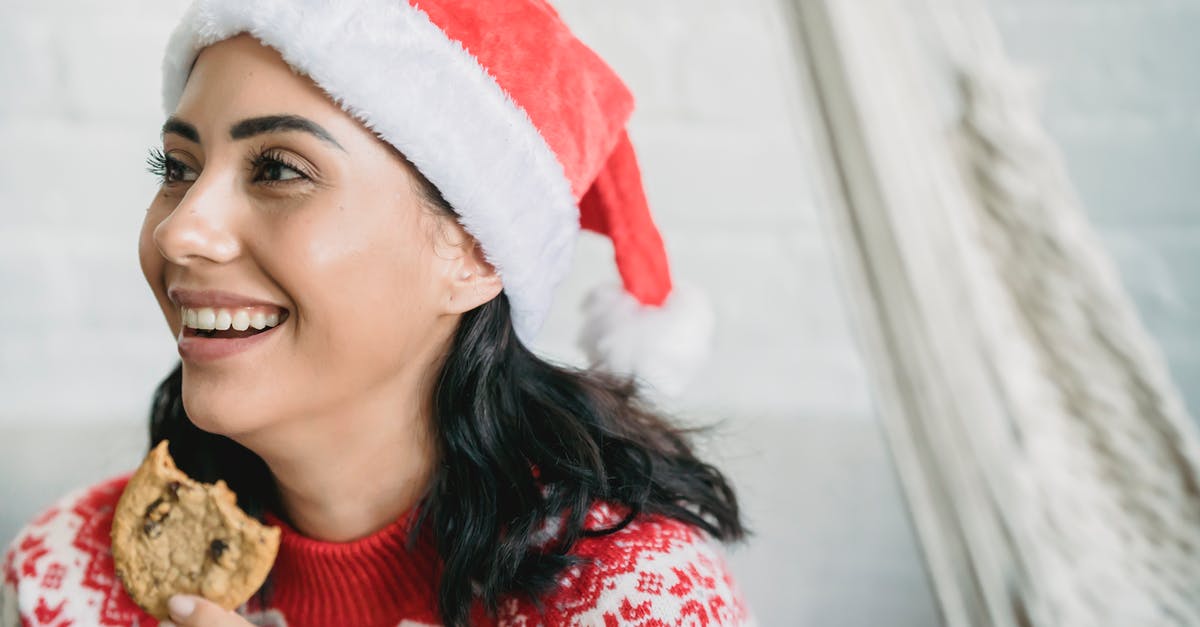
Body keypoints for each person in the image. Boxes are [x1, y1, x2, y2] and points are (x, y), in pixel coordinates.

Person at [2, 1, 750, 625]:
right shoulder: (65, 577)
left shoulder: (635, 595)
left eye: (278, 169)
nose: (180, 230)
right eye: (178, 169)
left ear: (475, 253)